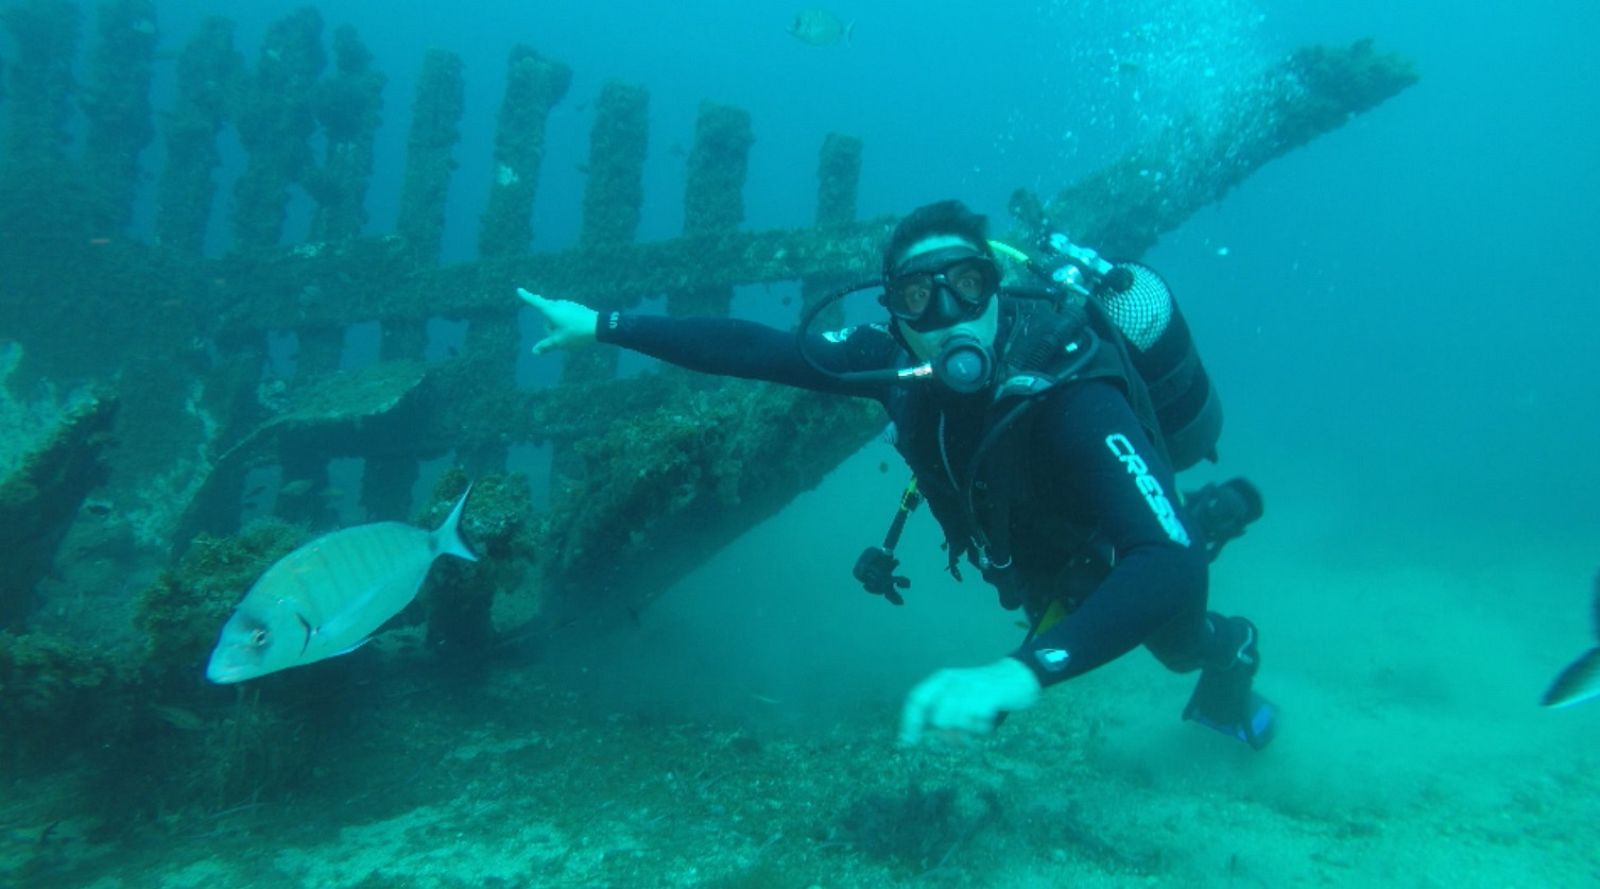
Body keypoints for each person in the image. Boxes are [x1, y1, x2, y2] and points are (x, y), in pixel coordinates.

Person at [518, 199, 1276, 750]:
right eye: (918, 294)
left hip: (1111, 539)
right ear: (894, 313)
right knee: (1059, 607)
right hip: (1039, 556)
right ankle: (1194, 518)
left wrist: (1023, 672)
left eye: (966, 284)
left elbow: (1166, 561)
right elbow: (756, 348)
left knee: (1177, 643)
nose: (948, 314)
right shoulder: (888, 360)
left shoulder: (1071, 389)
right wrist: (604, 325)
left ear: (995, 287)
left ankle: (1231, 634)